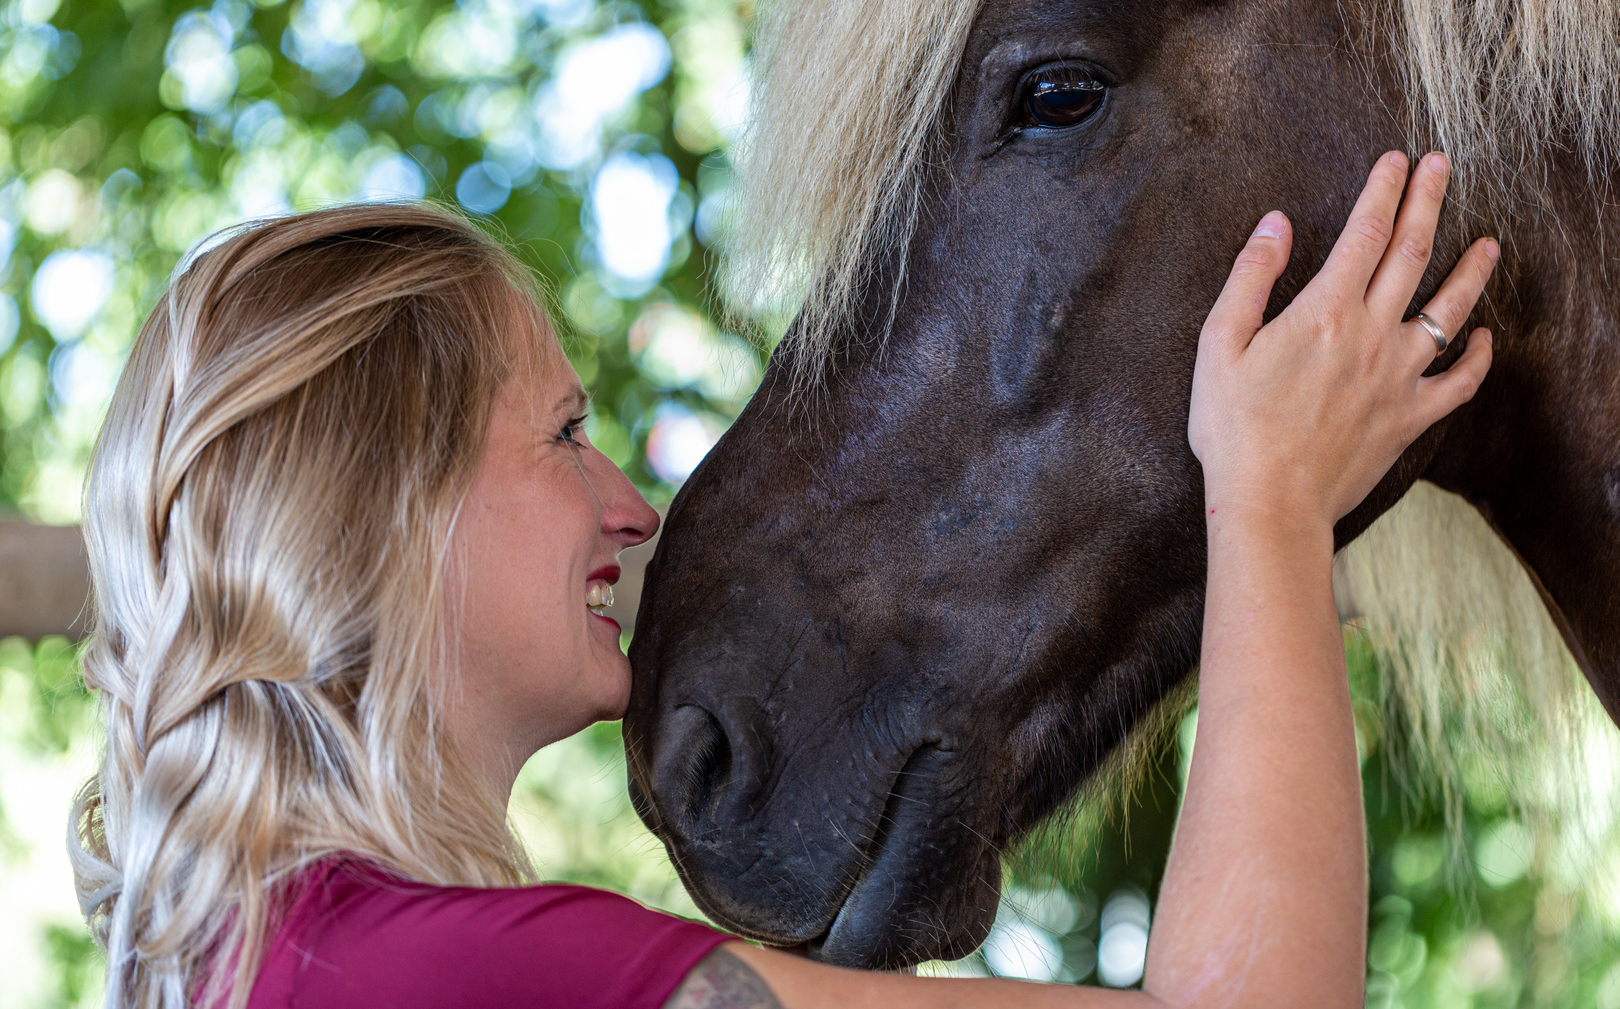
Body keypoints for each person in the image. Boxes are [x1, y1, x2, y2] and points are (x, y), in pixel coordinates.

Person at [70, 149, 1494, 1009]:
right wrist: (1272, 495)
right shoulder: (459, 974)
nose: (629, 507)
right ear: (383, 501)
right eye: (565, 436)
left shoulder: (265, 961)